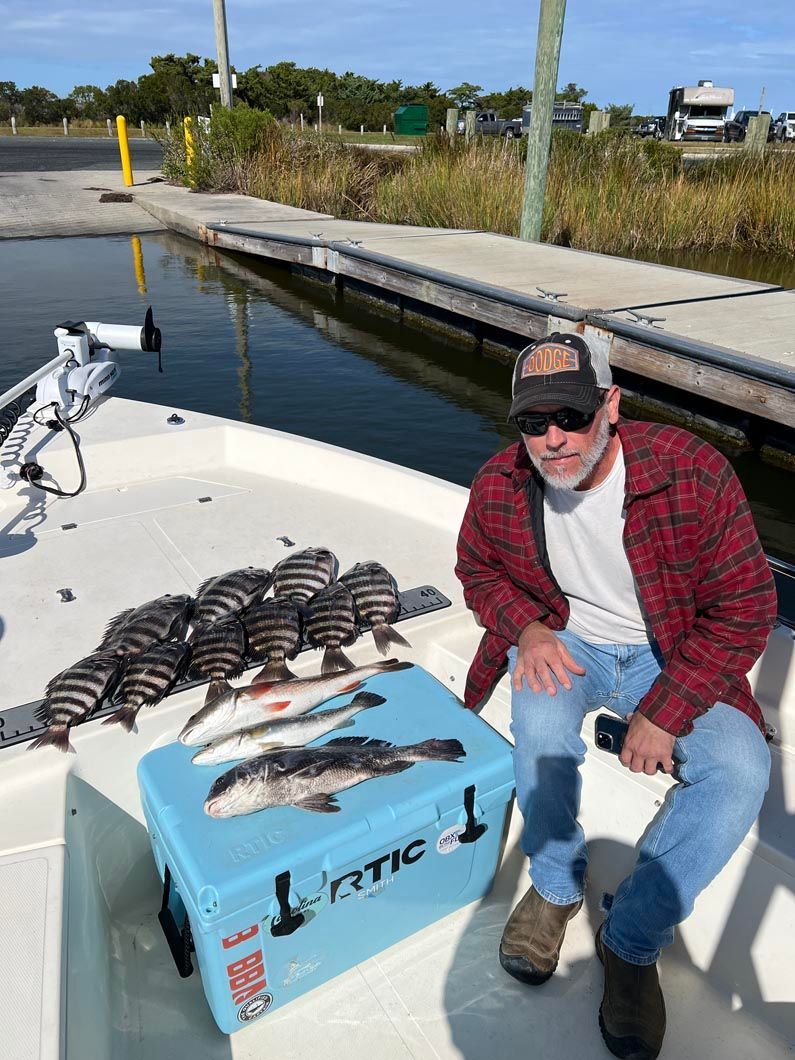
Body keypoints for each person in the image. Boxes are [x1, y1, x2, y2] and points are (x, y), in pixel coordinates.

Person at [455, 332, 777, 1060]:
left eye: (569, 415)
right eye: (532, 423)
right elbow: (476, 570)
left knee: (738, 770)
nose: (553, 439)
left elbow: (747, 607)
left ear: (610, 405)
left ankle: (630, 942)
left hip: (673, 648)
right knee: (536, 715)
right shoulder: (500, 482)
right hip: (567, 637)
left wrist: (663, 712)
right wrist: (527, 628)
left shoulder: (690, 473)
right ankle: (555, 885)